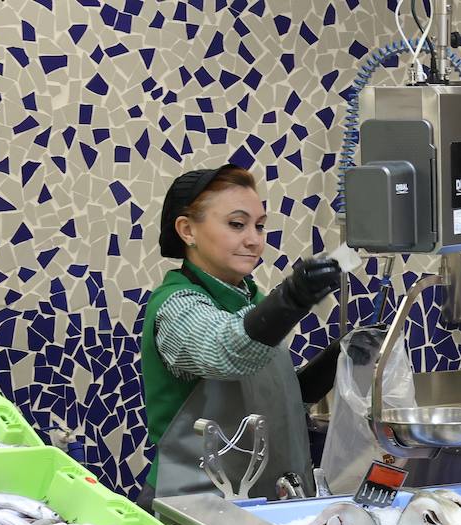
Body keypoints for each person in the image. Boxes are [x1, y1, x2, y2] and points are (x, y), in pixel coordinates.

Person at [140, 163, 345, 506]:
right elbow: (226, 352)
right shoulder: (176, 307)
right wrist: (291, 299)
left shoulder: (251, 299)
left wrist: (336, 360)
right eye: (237, 224)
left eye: (259, 226)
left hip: (256, 503)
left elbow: (267, 399)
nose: (254, 240)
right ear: (187, 230)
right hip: (193, 508)